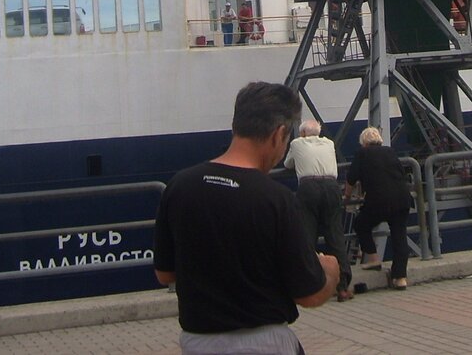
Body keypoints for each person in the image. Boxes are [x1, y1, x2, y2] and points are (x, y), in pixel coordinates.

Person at [153, 81, 338, 354]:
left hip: (197, 342)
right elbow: (309, 295)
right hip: (263, 343)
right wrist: (329, 274)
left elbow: (164, 273)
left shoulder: (180, 186)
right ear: (279, 134)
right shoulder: (276, 199)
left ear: (236, 125)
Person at [284, 120, 352, 301]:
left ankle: (309, 284)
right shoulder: (329, 143)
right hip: (331, 186)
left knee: (307, 236)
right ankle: (343, 286)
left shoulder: (296, 144)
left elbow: (287, 164)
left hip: (308, 188)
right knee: (335, 236)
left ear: (303, 134)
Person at [344, 127, 412, 289]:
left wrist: (347, 196)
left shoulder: (362, 153)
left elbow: (351, 178)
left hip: (379, 201)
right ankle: (400, 278)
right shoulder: (390, 151)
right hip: (402, 199)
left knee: (361, 224)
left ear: (364, 143)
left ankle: (374, 259)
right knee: (399, 236)